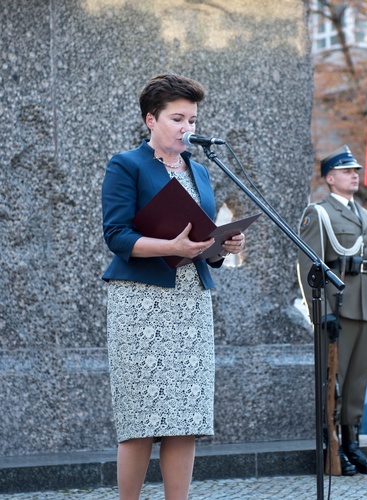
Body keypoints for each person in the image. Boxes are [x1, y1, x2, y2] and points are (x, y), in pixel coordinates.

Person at [101, 73, 245, 500]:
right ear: (151, 119)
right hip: (140, 303)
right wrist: (171, 244)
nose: (188, 128)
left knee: (186, 416)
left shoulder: (200, 171)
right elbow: (116, 235)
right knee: (141, 418)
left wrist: (224, 245)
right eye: (177, 118)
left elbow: (203, 243)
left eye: (193, 120)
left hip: (189, 303)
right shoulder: (126, 165)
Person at [297, 145, 367, 475]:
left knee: (356, 383)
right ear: (330, 178)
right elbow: (308, 265)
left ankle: (353, 444)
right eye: (348, 171)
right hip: (337, 309)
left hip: (365, 309)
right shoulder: (318, 213)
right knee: (333, 382)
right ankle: (332, 445)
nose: (355, 175)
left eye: (357, 171)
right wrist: (318, 310)